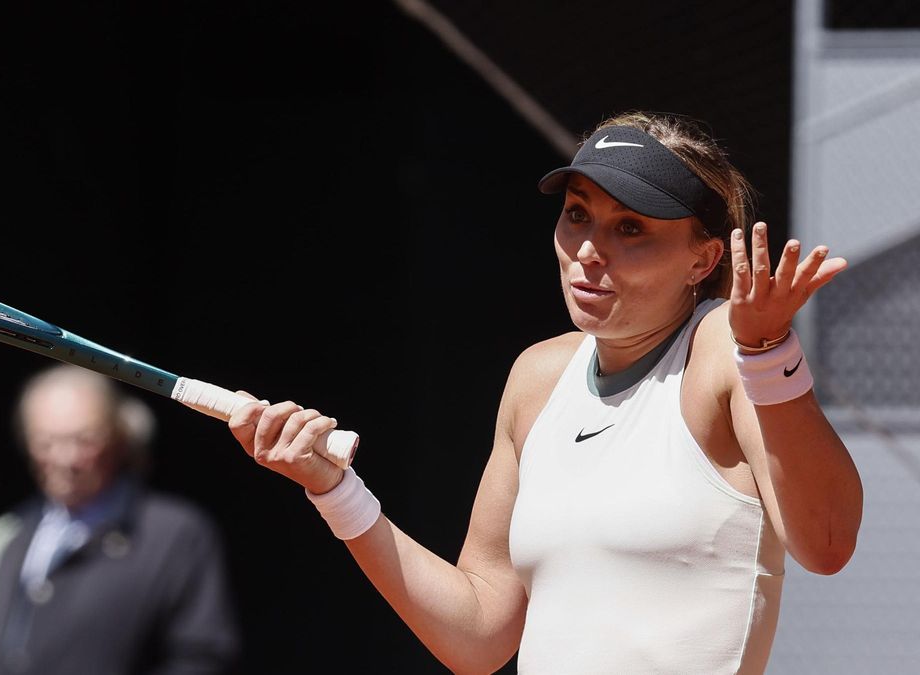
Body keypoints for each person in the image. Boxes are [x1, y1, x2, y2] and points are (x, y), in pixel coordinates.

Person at [225, 111, 864, 673]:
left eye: (631, 229)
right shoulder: (538, 376)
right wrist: (333, 489)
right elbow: (477, 635)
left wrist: (768, 352)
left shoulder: (726, 345)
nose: (588, 249)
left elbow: (827, 546)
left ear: (702, 260)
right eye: (577, 215)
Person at [0, 365, 239, 675]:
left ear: (119, 437)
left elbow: (202, 656)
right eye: (46, 442)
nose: (66, 459)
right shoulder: (6, 537)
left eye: (84, 440)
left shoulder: (174, 534)